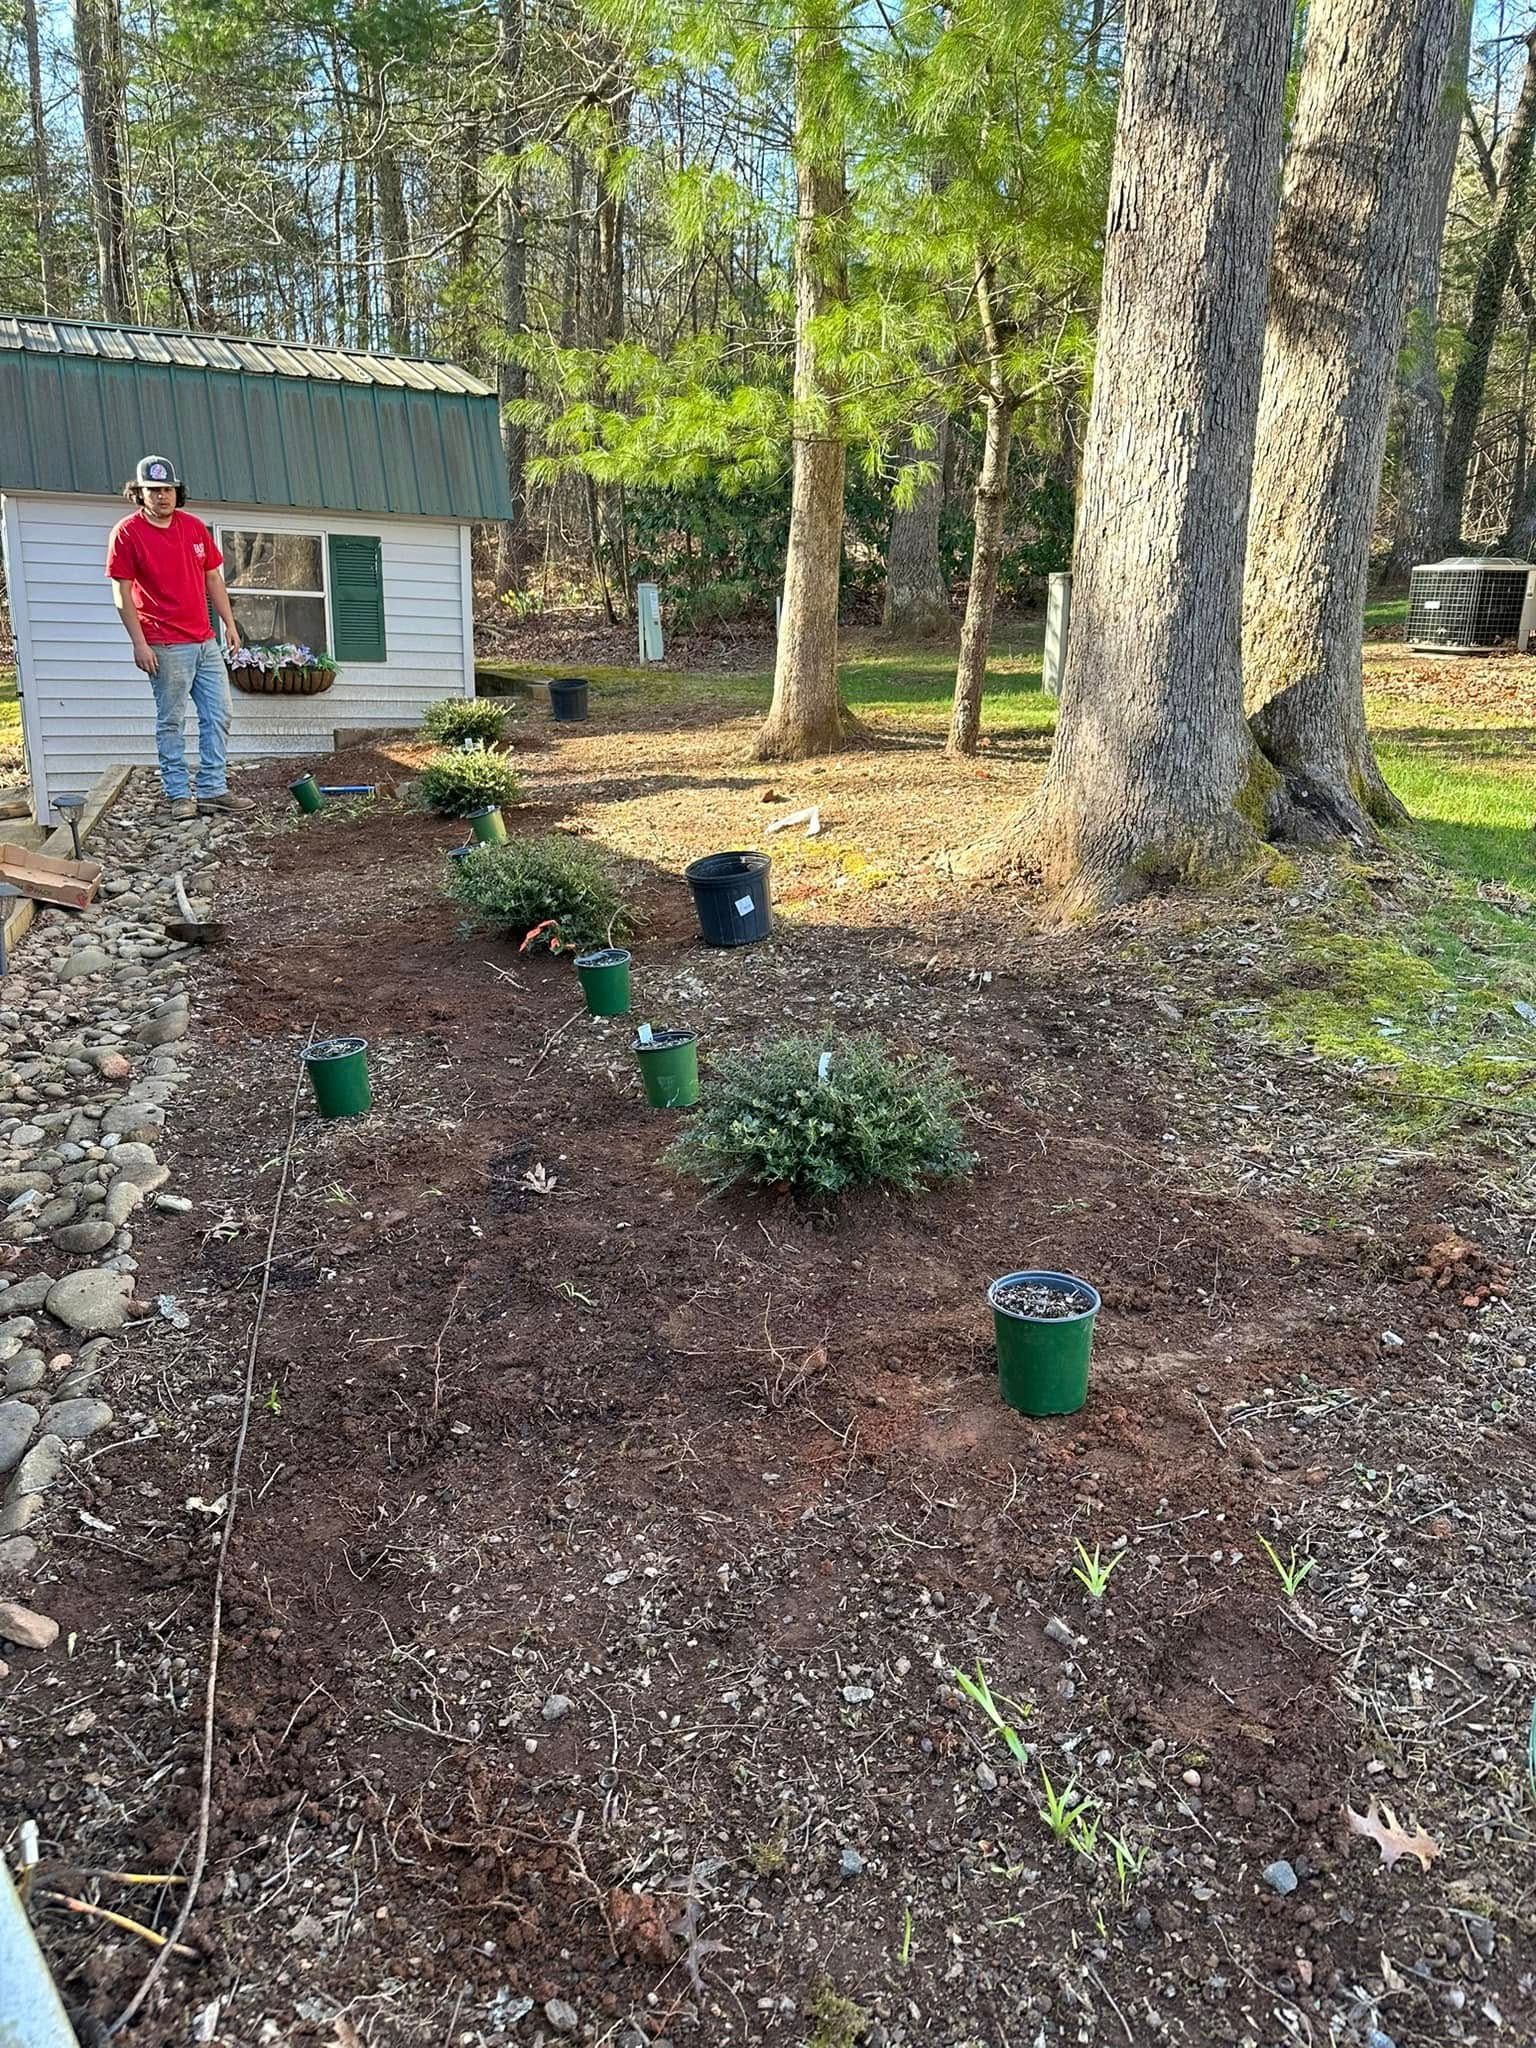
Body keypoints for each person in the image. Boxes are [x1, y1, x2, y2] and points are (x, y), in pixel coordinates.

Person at [106, 455, 254, 820]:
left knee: (219, 713)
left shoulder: (193, 528)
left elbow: (213, 579)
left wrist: (230, 624)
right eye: (153, 490)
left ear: (177, 492)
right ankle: (178, 795)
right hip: (164, 644)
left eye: (168, 489)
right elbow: (121, 592)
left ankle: (212, 789)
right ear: (139, 494)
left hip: (204, 641)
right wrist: (138, 643)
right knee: (171, 721)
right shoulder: (127, 532)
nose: (162, 497)